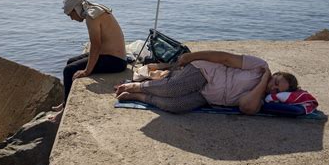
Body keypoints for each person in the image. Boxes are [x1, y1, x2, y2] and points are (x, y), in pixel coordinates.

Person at [114, 50, 298, 115]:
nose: (273, 86)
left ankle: (140, 96)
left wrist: (265, 80)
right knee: (173, 88)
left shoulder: (259, 99)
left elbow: (246, 108)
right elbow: (224, 58)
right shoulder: (259, 66)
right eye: (276, 80)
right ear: (277, 73)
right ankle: (136, 85)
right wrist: (192, 56)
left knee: (176, 106)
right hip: (206, 72)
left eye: (276, 89)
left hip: (207, 96)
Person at [51, 0, 127, 122]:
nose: (72, 18)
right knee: (70, 62)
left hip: (116, 61)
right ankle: (65, 101)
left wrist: (87, 71)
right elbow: (96, 45)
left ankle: (64, 111)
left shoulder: (92, 16)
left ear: (76, 9)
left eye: (71, 14)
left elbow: (96, 45)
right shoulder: (94, 10)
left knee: (69, 70)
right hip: (111, 55)